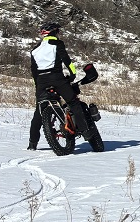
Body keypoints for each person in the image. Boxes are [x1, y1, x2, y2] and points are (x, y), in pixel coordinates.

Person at [27, 22, 103, 152]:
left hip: (41, 82)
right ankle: (85, 131)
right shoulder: (57, 44)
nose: (59, 34)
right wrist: (73, 74)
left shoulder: (35, 50)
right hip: (57, 78)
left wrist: (38, 85)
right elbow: (66, 60)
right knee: (73, 102)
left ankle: (32, 143)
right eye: (58, 32)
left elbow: (34, 70)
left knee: (39, 111)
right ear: (54, 32)